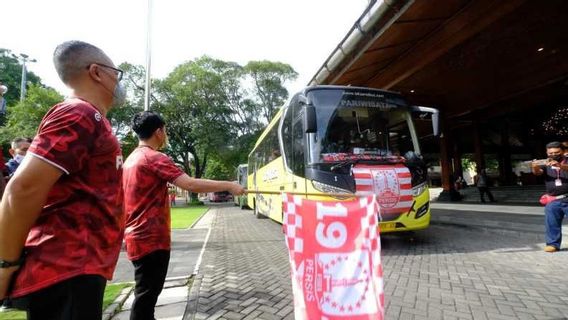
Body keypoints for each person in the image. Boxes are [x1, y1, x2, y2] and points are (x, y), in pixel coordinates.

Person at [0, 40, 126, 320]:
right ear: (96, 72)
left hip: (79, 268)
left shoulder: (92, 118)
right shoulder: (79, 113)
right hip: (67, 268)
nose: (118, 81)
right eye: (116, 73)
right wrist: (6, 264)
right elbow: (21, 189)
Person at [123, 111, 245, 320]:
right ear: (159, 131)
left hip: (136, 238)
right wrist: (229, 185)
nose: (166, 134)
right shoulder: (153, 158)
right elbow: (189, 184)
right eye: (165, 130)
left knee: (145, 295)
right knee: (145, 299)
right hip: (150, 239)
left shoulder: (131, 159)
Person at [531, 141, 568, 253]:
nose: (553, 155)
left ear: (563, 151)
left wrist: (560, 166)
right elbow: (538, 173)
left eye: (556, 152)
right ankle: (553, 244)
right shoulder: (545, 163)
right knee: (551, 223)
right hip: (553, 199)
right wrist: (535, 167)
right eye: (550, 153)